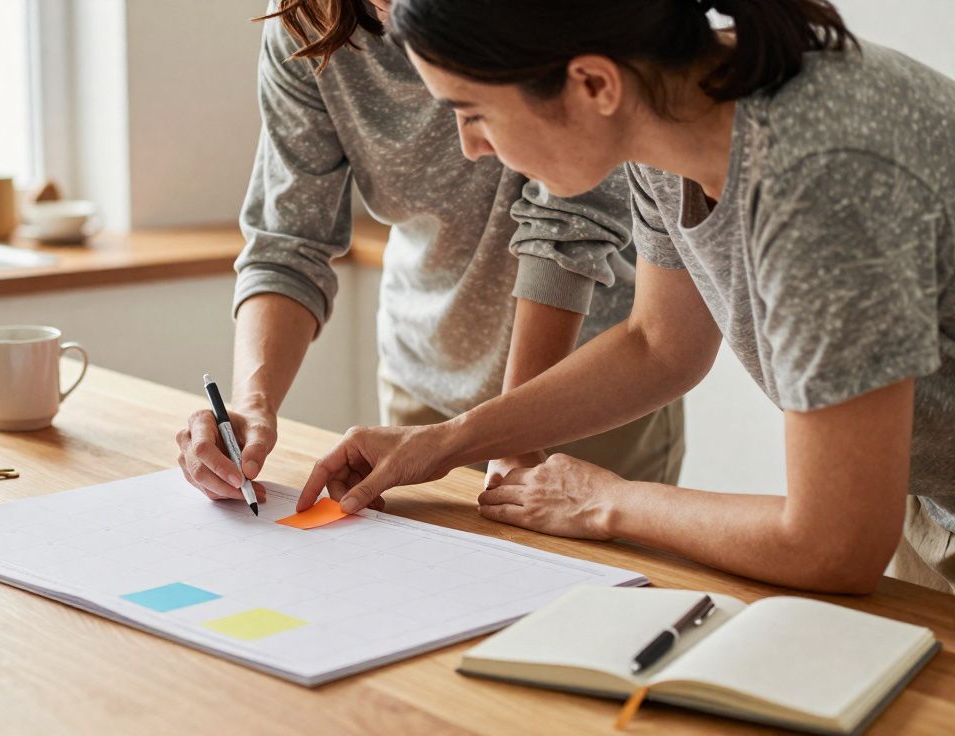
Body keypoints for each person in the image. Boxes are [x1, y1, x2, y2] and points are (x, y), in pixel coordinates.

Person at [299, 0, 955, 594]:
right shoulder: (668, 119)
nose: (473, 148)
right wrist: (447, 443)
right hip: (931, 501)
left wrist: (608, 501)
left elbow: (832, 544)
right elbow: (658, 344)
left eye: (474, 113)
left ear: (591, 84)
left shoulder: (822, 178)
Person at [175, 0, 686, 507]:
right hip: (419, 383)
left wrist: (512, 435)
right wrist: (251, 404)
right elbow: (288, 239)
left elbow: (570, 227)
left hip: (586, 389)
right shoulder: (307, 20)